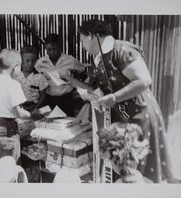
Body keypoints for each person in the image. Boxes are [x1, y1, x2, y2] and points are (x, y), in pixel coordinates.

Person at [63, 19, 173, 183]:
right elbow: (100, 90)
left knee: (140, 170)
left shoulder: (121, 50)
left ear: (91, 35)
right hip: (122, 118)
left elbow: (143, 80)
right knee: (125, 169)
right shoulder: (100, 58)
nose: (82, 45)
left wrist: (114, 98)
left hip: (139, 114)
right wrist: (73, 82)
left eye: (82, 40)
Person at [0, 49, 43, 167]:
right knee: (11, 166)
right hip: (6, 130)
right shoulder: (13, 85)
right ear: (16, 66)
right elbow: (20, 114)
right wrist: (33, 115)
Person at [34, 33, 85, 116]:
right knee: (50, 124)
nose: (52, 52)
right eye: (49, 49)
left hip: (66, 100)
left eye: (55, 49)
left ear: (60, 47)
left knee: (68, 124)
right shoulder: (41, 63)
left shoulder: (70, 60)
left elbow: (82, 70)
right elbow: (36, 77)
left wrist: (73, 81)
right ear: (46, 49)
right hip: (48, 100)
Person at [19, 45, 48, 112]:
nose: (30, 63)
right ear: (21, 60)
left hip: (34, 107)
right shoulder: (15, 76)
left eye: (33, 61)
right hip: (19, 108)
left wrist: (36, 107)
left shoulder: (40, 77)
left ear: (35, 61)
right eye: (27, 61)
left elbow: (43, 96)